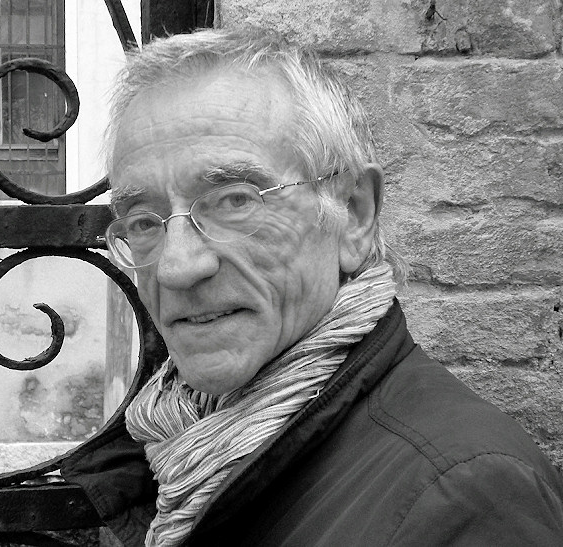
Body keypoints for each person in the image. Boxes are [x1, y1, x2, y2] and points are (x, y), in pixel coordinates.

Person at [61, 27, 563, 546]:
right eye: (144, 221)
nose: (176, 267)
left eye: (235, 200)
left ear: (353, 214)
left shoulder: (468, 496)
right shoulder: (173, 448)